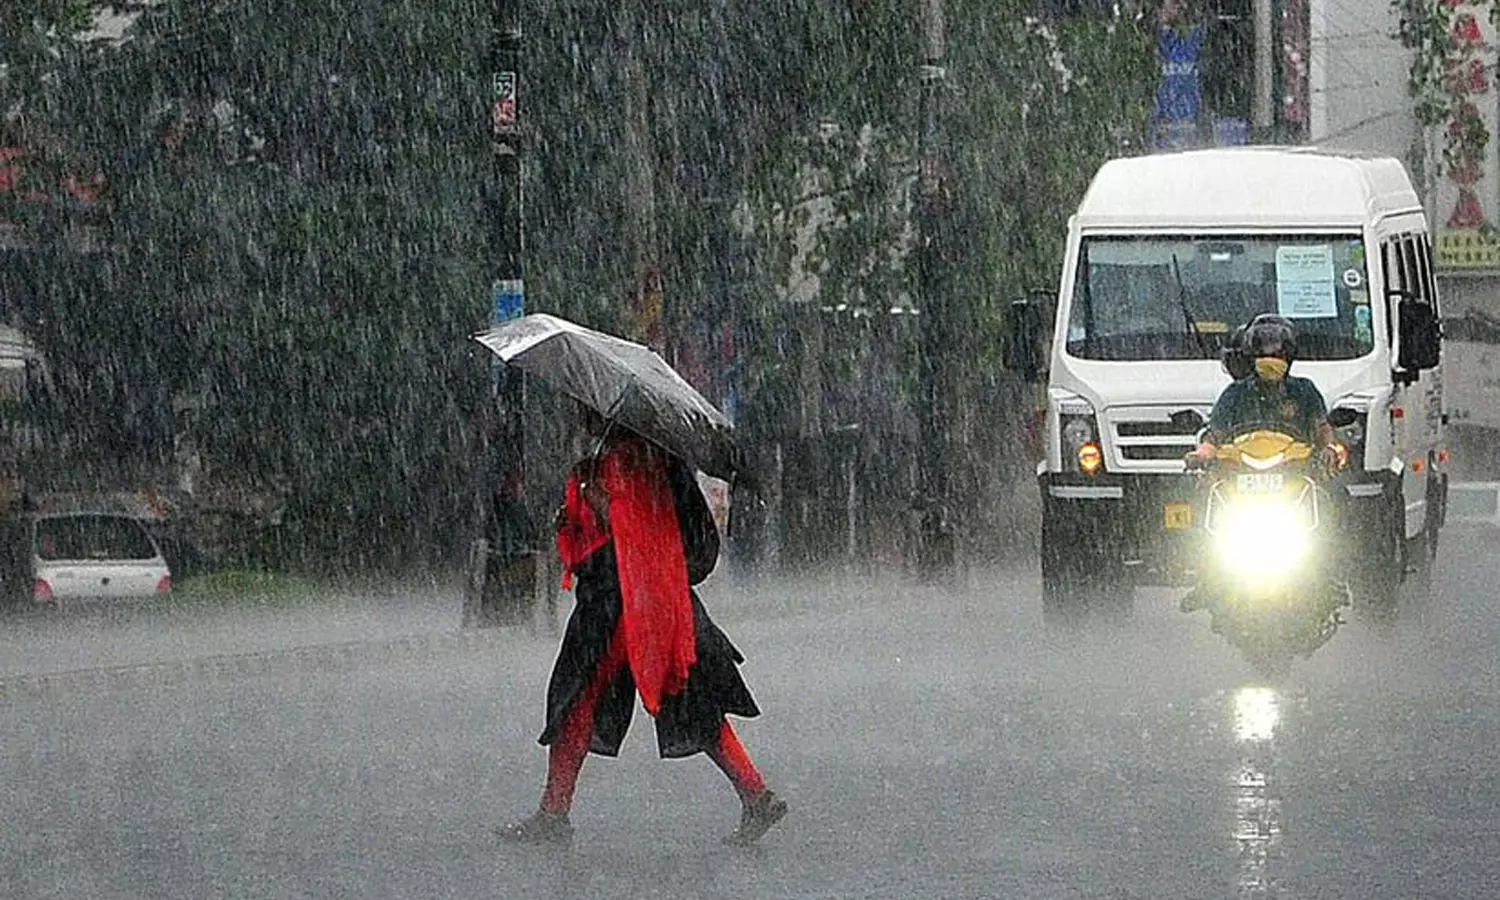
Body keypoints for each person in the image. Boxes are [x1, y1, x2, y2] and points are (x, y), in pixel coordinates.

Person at [498, 406, 786, 846]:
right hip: (660, 600)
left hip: (620, 606)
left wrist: (600, 505)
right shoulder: (649, 459)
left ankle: (554, 814)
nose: (578, 415)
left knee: (577, 700)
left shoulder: (627, 462)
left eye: (585, 410)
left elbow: (632, 532)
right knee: (691, 701)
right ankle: (754, 792)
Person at [1186, 314, 1338, 469]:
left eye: (1277, 354)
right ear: (1251, 356)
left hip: (1294, 473)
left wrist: (1329, 449)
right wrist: (1201, 454)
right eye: (1263, 354)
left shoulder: (1304, 390)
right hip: (1240, 474)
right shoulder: (1235, 392)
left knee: (1328, 490)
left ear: (1289, 356)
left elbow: (1321, 428)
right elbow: (1215, 435)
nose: (1270, 360)